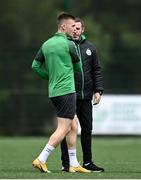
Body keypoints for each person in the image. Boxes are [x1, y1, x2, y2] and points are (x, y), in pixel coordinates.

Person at [31, 12, 90, 173]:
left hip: (54, 91)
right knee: (63, 128)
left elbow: (35, 66)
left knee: (74, 125)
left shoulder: (46, 44)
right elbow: (78, 67)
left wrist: (51, 75)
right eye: (72, 26)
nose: (74, 29)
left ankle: (73, 164)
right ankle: (41, 159)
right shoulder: (69, 44)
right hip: (67, 91)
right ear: (63, 26)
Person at [60, 18, 104, 172]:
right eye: (74, 27)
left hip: (86, 97)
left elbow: (96, 70)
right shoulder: (65, 46)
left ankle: (87, 162)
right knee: (66, 129)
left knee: (86, 129)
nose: (76, 30)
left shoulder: (90, 48)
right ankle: (66, 164)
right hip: (69, 95)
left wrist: (98, 90)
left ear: (83, 29)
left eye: (78, 28)